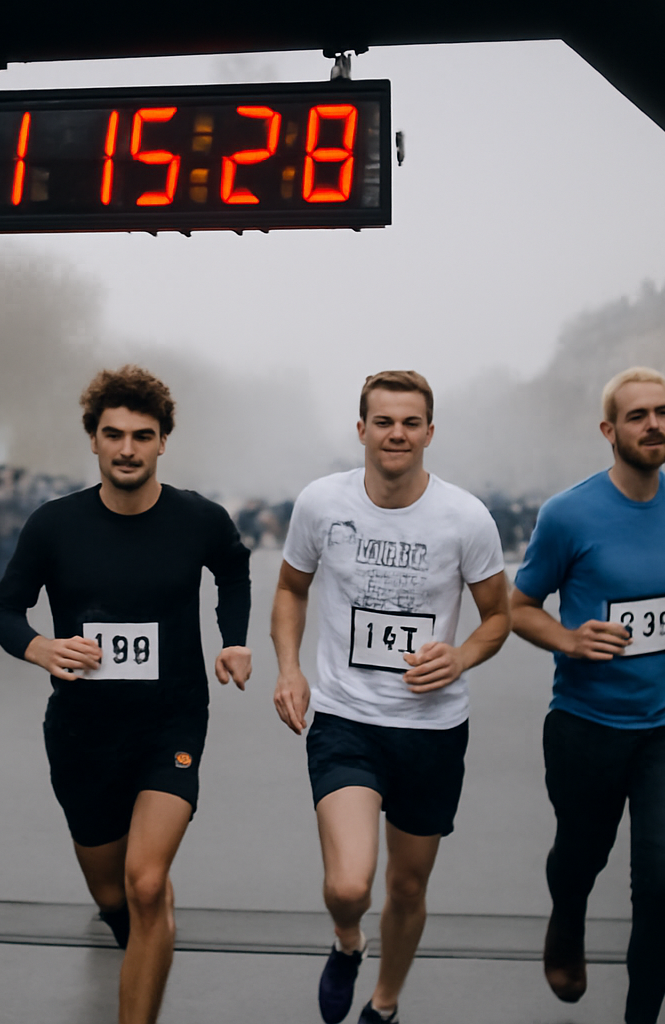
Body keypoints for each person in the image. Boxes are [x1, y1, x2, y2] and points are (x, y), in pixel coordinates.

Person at [0, 365, 252, 1024]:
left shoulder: (199, 519)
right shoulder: (54, 526)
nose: (127, 448)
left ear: (163, 442)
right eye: (113, 435)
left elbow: (234, 568)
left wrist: (235, 638)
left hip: (172, 724)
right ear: (93, 441)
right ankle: (146, 933)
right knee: (116, 896)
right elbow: (3, 610)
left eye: (142, 435)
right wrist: (42, 647)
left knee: (146, 880)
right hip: (82, 733)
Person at [271, 370, 511, 1024]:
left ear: (429, 432)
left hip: (432, 728)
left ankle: (385, 1003)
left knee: (406, 885)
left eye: (410, 423)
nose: (396, 434)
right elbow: (292, 589)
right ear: (362, 430)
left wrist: (459, 655)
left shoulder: (466, 517)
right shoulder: (322, 503)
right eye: (384, 421)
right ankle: (348, 939)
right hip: (347, 717)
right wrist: (290, 669)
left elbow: (498, 616)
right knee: (349, 885)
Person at [509, 367, 665, 1024]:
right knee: (581, 855)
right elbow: (518, 605)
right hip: (586, 722)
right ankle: (568, 916)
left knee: (662, 882)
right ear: (609, 430)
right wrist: (569, 640)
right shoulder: (568, 513)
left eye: (663, 412)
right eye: (638, 416)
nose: (654, 426)